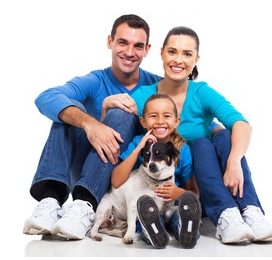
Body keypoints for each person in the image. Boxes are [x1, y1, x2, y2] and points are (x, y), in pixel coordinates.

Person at [23, 14, 220, 240]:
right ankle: (52, 201)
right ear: (110, 42)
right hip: (97, 172)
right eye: (122, 42)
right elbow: (46, 97)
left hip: (134, 179)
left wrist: (219, 132)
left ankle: (102, 211)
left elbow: (182, 118)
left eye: (137, 46)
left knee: (121, 113)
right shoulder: (95, 80)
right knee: (68, 111)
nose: (129, 52)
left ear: (147, 50)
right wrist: (91, 123)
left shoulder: (155, 87)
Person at [129, 26, 272, 244]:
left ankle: (250, 211)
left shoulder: (201, 92)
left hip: (209, 182)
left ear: (196, 59)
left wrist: (234, 161)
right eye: (172, 52)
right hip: (171, 188)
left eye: (187, 54)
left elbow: (242, 123)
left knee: (222, 136)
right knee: (201, 142)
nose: (178, 60)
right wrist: (109, 104)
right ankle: (223, 216)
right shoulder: (144, 96)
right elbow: (122, 115)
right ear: (161, 53)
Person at [111, 93, 201, 249]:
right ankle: (153, 232)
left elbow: (194, 192)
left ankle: (186, 231)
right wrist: (139, 148)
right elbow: (116, 181)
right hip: (149, 208)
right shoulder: (139, 143)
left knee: (177, 215)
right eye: (153, 116)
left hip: (170, 206)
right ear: (143, 121)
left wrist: (179, 192)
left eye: (166, 116)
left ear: (176, 121)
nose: (160, 121)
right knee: (147, 216)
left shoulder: (183, 150)